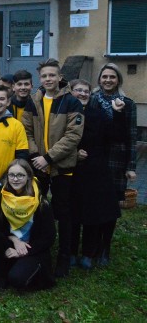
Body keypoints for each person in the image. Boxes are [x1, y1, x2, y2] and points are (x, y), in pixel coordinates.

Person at [22, 58, 83, 278]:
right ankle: (40, 251)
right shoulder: (33, 100)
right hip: (38, 165)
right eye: (44, 76)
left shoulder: (72, 102)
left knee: (63, 212)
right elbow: (26, 131)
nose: (48, 79)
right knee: (37, 209)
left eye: (52, 75)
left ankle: (64, 257)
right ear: (40, 78)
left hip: (62, 167)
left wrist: (48, 158)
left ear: (59, 77)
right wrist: (36, 155)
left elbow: (73, 136)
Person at [70, 78, 121, 268]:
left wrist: (117, 114)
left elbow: (115, 137)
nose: (83, 94)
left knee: (91, 211)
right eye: (78, 90)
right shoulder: (64, 112)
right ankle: (72, 252)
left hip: (94, 171)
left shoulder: (98, 115)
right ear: (71, 92)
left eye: (86, 91)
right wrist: (73, 154)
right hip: (70, 170)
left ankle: (88, 253)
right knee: (73, 214)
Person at [0, 159, 56, 291]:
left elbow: (48, 238)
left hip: (33, 249)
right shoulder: (3, 197)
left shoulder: (41, 203)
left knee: (17, 280)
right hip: (13, 244)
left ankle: (23, 270)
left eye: (20, 175)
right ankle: (2, 275)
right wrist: (14, 239)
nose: (15, 179)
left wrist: (22, 252)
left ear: (29, 176)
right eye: (11, 175)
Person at [91, 63, 138, 211]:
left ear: (118, 80)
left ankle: (107, 234)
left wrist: (131, 167)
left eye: (112, 77)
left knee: (112, 205)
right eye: (104, 76)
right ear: (99, 80)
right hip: (95, 158)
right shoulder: (92, 100)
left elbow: (132, 136)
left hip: (117, 160)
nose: (108, 80)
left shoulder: (128, 104)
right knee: (94, 201)